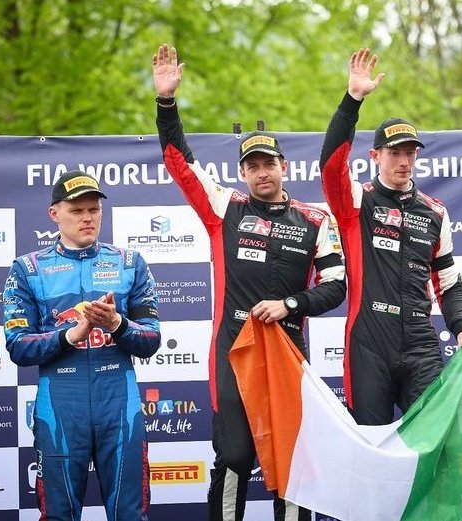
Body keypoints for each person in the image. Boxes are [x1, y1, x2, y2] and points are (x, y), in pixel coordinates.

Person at [152, 44, 346, 521]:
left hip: (287, 352)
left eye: (269, 163)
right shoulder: (226, 208)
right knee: (235, 456)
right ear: (242, 173)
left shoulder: (315, 220)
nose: (262, 172)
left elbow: (337, 284)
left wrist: (291, 305)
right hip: (232, 351)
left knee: (293, 459)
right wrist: (166, 103)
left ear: (284, 167)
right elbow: (180, 163)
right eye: (253, 166)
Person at [319, 48, 462, 426]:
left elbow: (448, 283)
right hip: (369, 343)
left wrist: (461, 330)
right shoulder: (357, 202)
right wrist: (353, 100)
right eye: (395, 153)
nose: (404, 161)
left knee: (432, 438)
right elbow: (330, 167)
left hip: (420, 344)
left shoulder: (435, 212)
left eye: (411, 153)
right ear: (375, 155)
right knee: (371, 441)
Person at [3, 171, 161, 520]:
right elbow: (17, 346)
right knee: (58, 514)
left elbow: (151, 339)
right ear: (54, 214)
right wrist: (70, 335)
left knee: (129, 513)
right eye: (76, 211)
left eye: (94, 210)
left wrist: (117, 324)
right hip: (61, 403)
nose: (87, 218)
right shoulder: (28, 268)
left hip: (118, 401)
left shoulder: (129, 263)